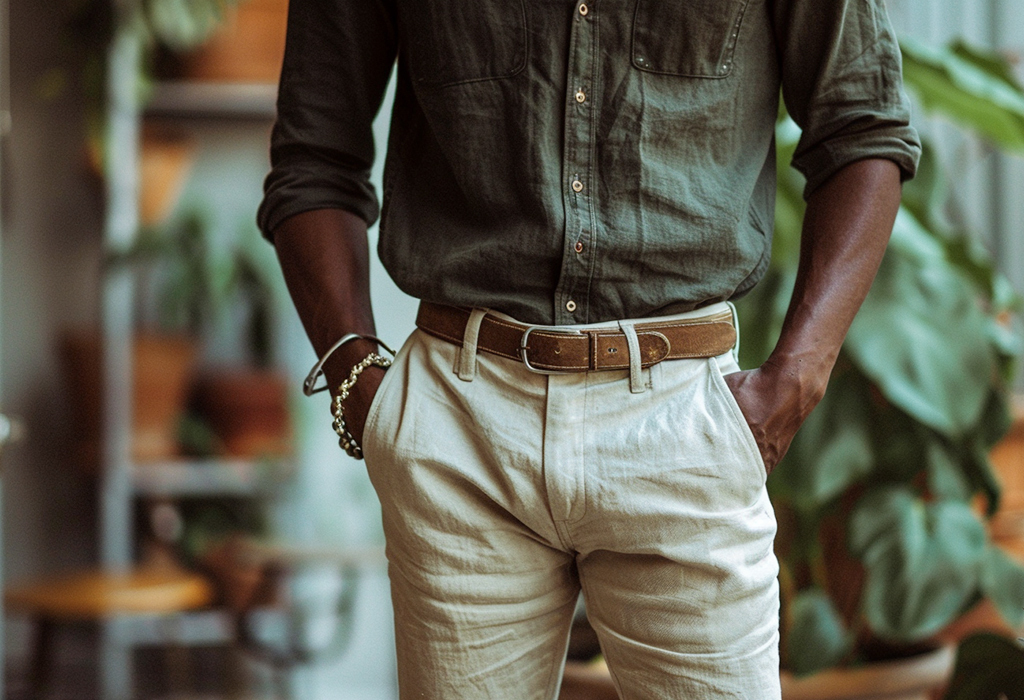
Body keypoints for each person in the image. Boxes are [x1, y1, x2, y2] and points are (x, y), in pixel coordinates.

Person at [258, 0, 921, 697]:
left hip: (684, 424)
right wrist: (356, 377)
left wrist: (797, 378)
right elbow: (313, 158)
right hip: (460, 427)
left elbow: (863, 129)